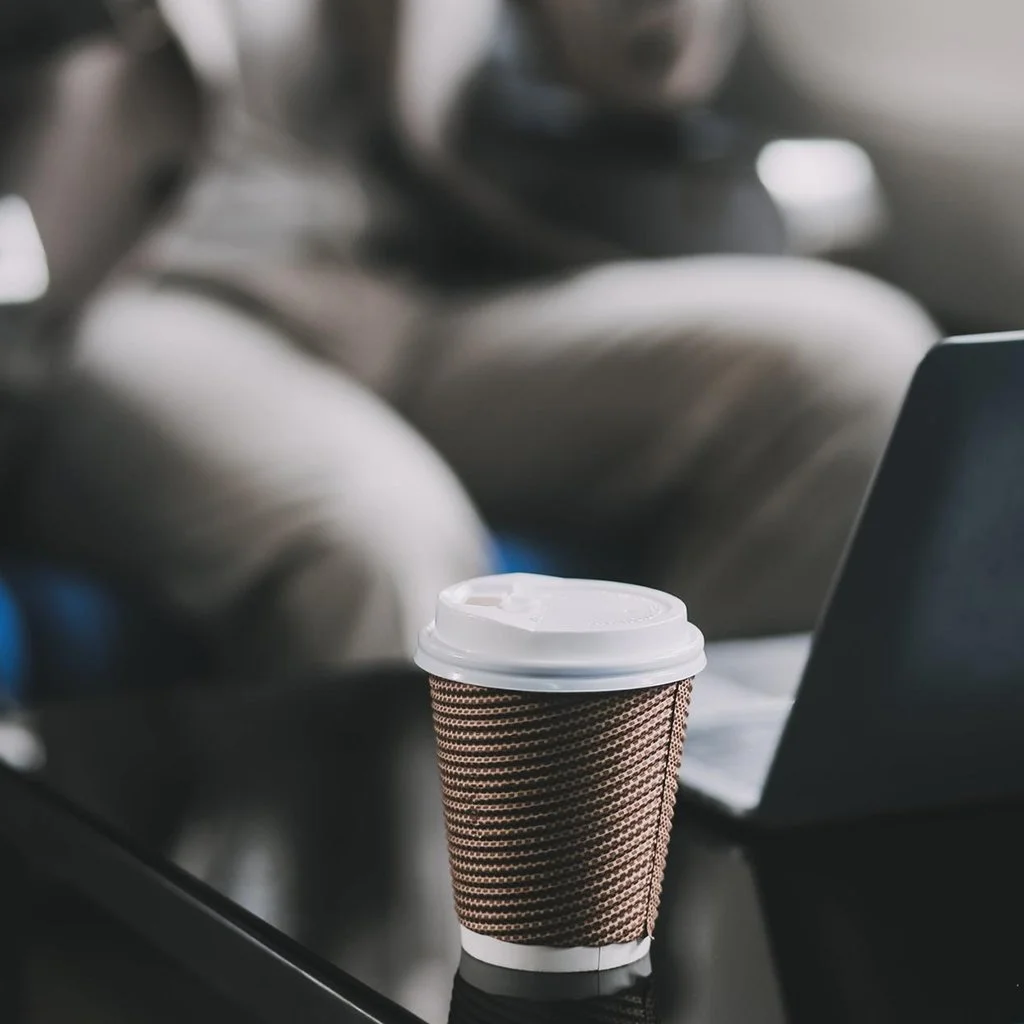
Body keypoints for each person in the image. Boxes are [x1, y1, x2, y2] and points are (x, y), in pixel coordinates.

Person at [16, 0, 937, 682]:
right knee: (380, 542)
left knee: (860, 370)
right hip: (136, 289)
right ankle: (412, 937)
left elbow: (639, 68)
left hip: (406, 280)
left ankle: (660, 869)